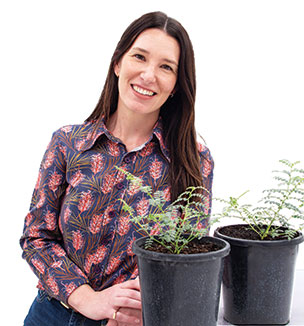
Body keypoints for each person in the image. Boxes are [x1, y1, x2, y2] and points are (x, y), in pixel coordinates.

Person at [20, 11, 214, 326]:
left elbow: (188, 256)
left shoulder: (193, 160)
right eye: (140, 57)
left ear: (177, 85)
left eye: (166, 67)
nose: (149, 75)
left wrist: (132, 312)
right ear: (118, 63)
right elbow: (36, 237)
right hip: (50, 315)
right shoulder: (67, 143)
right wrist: (89, 300)